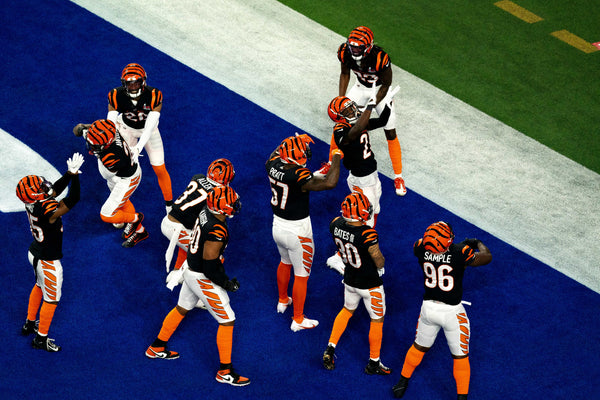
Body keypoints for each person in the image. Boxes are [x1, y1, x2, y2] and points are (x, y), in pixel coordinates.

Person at [145, 186, 250, 387]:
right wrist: (226, 282)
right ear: (221, 208)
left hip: (190, 269)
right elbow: (210, 264)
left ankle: (157, 347)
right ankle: (225, 372)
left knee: (182, 308)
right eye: (232, 203)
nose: (235, 205)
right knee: (227, 320)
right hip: (201, 276)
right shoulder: (217, 229)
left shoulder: (205, 211)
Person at [391, 222, 492, 400]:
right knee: (460, 357)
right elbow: (486, 257)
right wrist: (476, 242)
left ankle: (402, 381)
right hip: (452, 312)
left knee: (418, 346)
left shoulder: (419, 247)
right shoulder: (461, 251)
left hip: (428, 309)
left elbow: (435, 250)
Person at [316, 26, 406, 196]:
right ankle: (330, 161)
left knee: (390, 130)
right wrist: (340, 100)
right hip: (359, 87)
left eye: (358, 47)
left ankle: (398, 176)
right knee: (340, 121)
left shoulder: (380, 58)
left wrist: (374, 102)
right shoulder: (344, 51)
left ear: (368, 46)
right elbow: (344, 74)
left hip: (379, 90)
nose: (354, 49)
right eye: (353, 46)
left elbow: (386, 83)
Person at [266, 133, 342, 331]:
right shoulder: (298, 175)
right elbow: (330, 183)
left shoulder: (272, 165)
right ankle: (297, 319)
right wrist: (336, 155)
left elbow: (277, 155)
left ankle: (283, 300)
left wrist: (290, 141)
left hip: (277, 226)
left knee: (284, 262)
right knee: (301, 275)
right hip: (298, 231)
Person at [17, 153, 84, 352]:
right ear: (37, 196)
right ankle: (41, 338)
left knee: (39, 285)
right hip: (48, 260)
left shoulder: (33, 203)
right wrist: (76, 177)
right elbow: (73, 198)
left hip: (35, 252)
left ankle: (29, 323)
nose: (44, 187)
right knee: (52, 299)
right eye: (40, 188)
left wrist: (69, 173)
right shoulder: (48, 209)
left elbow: (52, 192)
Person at [322, 192, 391, 375]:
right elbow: (378, 258)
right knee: (377, 320)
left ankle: (330, 347)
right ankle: (373, 362)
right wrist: (381, 266)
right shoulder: (367, 234)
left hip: (350, 277)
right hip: (369, 284)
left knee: (347, 310)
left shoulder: (335, 224)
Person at [324, 94, 393, 274]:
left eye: (351, 106)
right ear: (338, 116)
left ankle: (351, 254)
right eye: (347, 110)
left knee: (374, 213)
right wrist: (369, 108)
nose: (353, 110)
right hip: (361, 181)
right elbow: (355, 131)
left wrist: (388, 104)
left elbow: (382, 120)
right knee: (364, 223)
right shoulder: (341, 130)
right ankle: (342, 256)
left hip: (371, 178)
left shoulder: (356, 123)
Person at [107, 62, 173, 212]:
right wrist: (111, 141)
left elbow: (150, 124)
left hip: (148, 131)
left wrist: (138, 147)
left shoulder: (154, 94)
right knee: (118, 170)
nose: (133, 87)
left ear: (143, 81)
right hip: (125, 129)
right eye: (129, 84)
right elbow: (110, 122)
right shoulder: (116, 94)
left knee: (159, 168)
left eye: (137, 82)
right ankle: (120, 205)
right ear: (124, 84)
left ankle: (169, 206)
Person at [162, 158, 235, 295]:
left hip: (170, 221)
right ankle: (200, 294)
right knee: (212, 259)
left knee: (190, 239)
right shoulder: (218, 194)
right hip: (177, 229)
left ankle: (177, 272)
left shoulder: (198, 177)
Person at [73, 119, 147, 247]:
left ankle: (136, 219)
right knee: (122, 203)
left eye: (95, 145)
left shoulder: (112, 156)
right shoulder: (109, 133)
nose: (92, 146)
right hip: (120, 174)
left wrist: (97, 154)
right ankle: (140, 231)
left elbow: (106, 174)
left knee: (106, 214)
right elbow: (87, 129)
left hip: (127, 179)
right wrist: (84, 127)